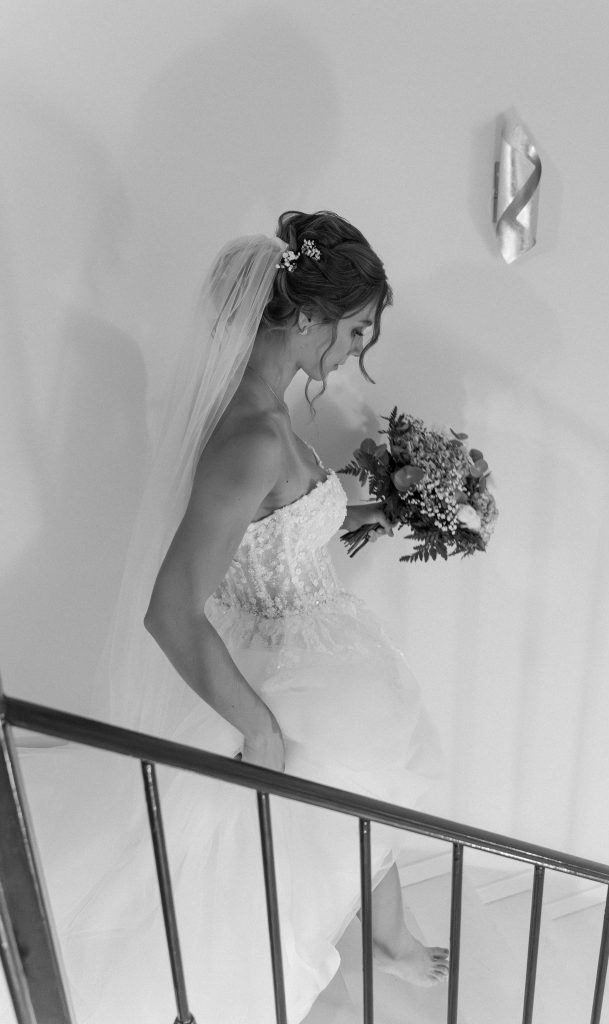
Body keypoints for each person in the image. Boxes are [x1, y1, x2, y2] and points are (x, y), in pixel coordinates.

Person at [7, 212, 451, 1024]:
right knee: (286, 846)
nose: (355, 352)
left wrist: (380, 512)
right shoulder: (249, 436)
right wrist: (259, 728)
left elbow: (275, 527)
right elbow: (170, 611)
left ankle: (388, 939)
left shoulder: (267, 414)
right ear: (307, 317)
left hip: (314, 649)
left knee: (356, 798)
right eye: (355, 330)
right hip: (277, 674)